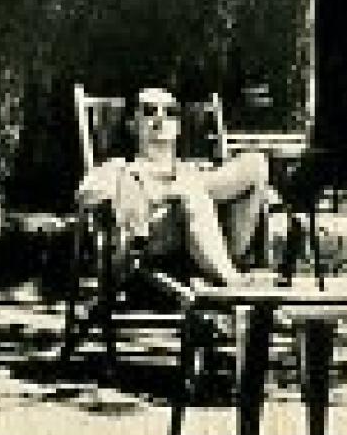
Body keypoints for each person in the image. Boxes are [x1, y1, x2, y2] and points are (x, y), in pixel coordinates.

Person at [75, 86, 271, 286]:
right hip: (151, 245)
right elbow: (85, 195)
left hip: (205, 240)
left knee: (255, 162)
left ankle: (225, 266)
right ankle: (232, 280)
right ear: (132, 124)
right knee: (190, 193)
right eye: (150, 111)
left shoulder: (193, 169)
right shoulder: (120, 167)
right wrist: (146, 193)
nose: (160, 119)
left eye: (170, 113)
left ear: (178, 127)